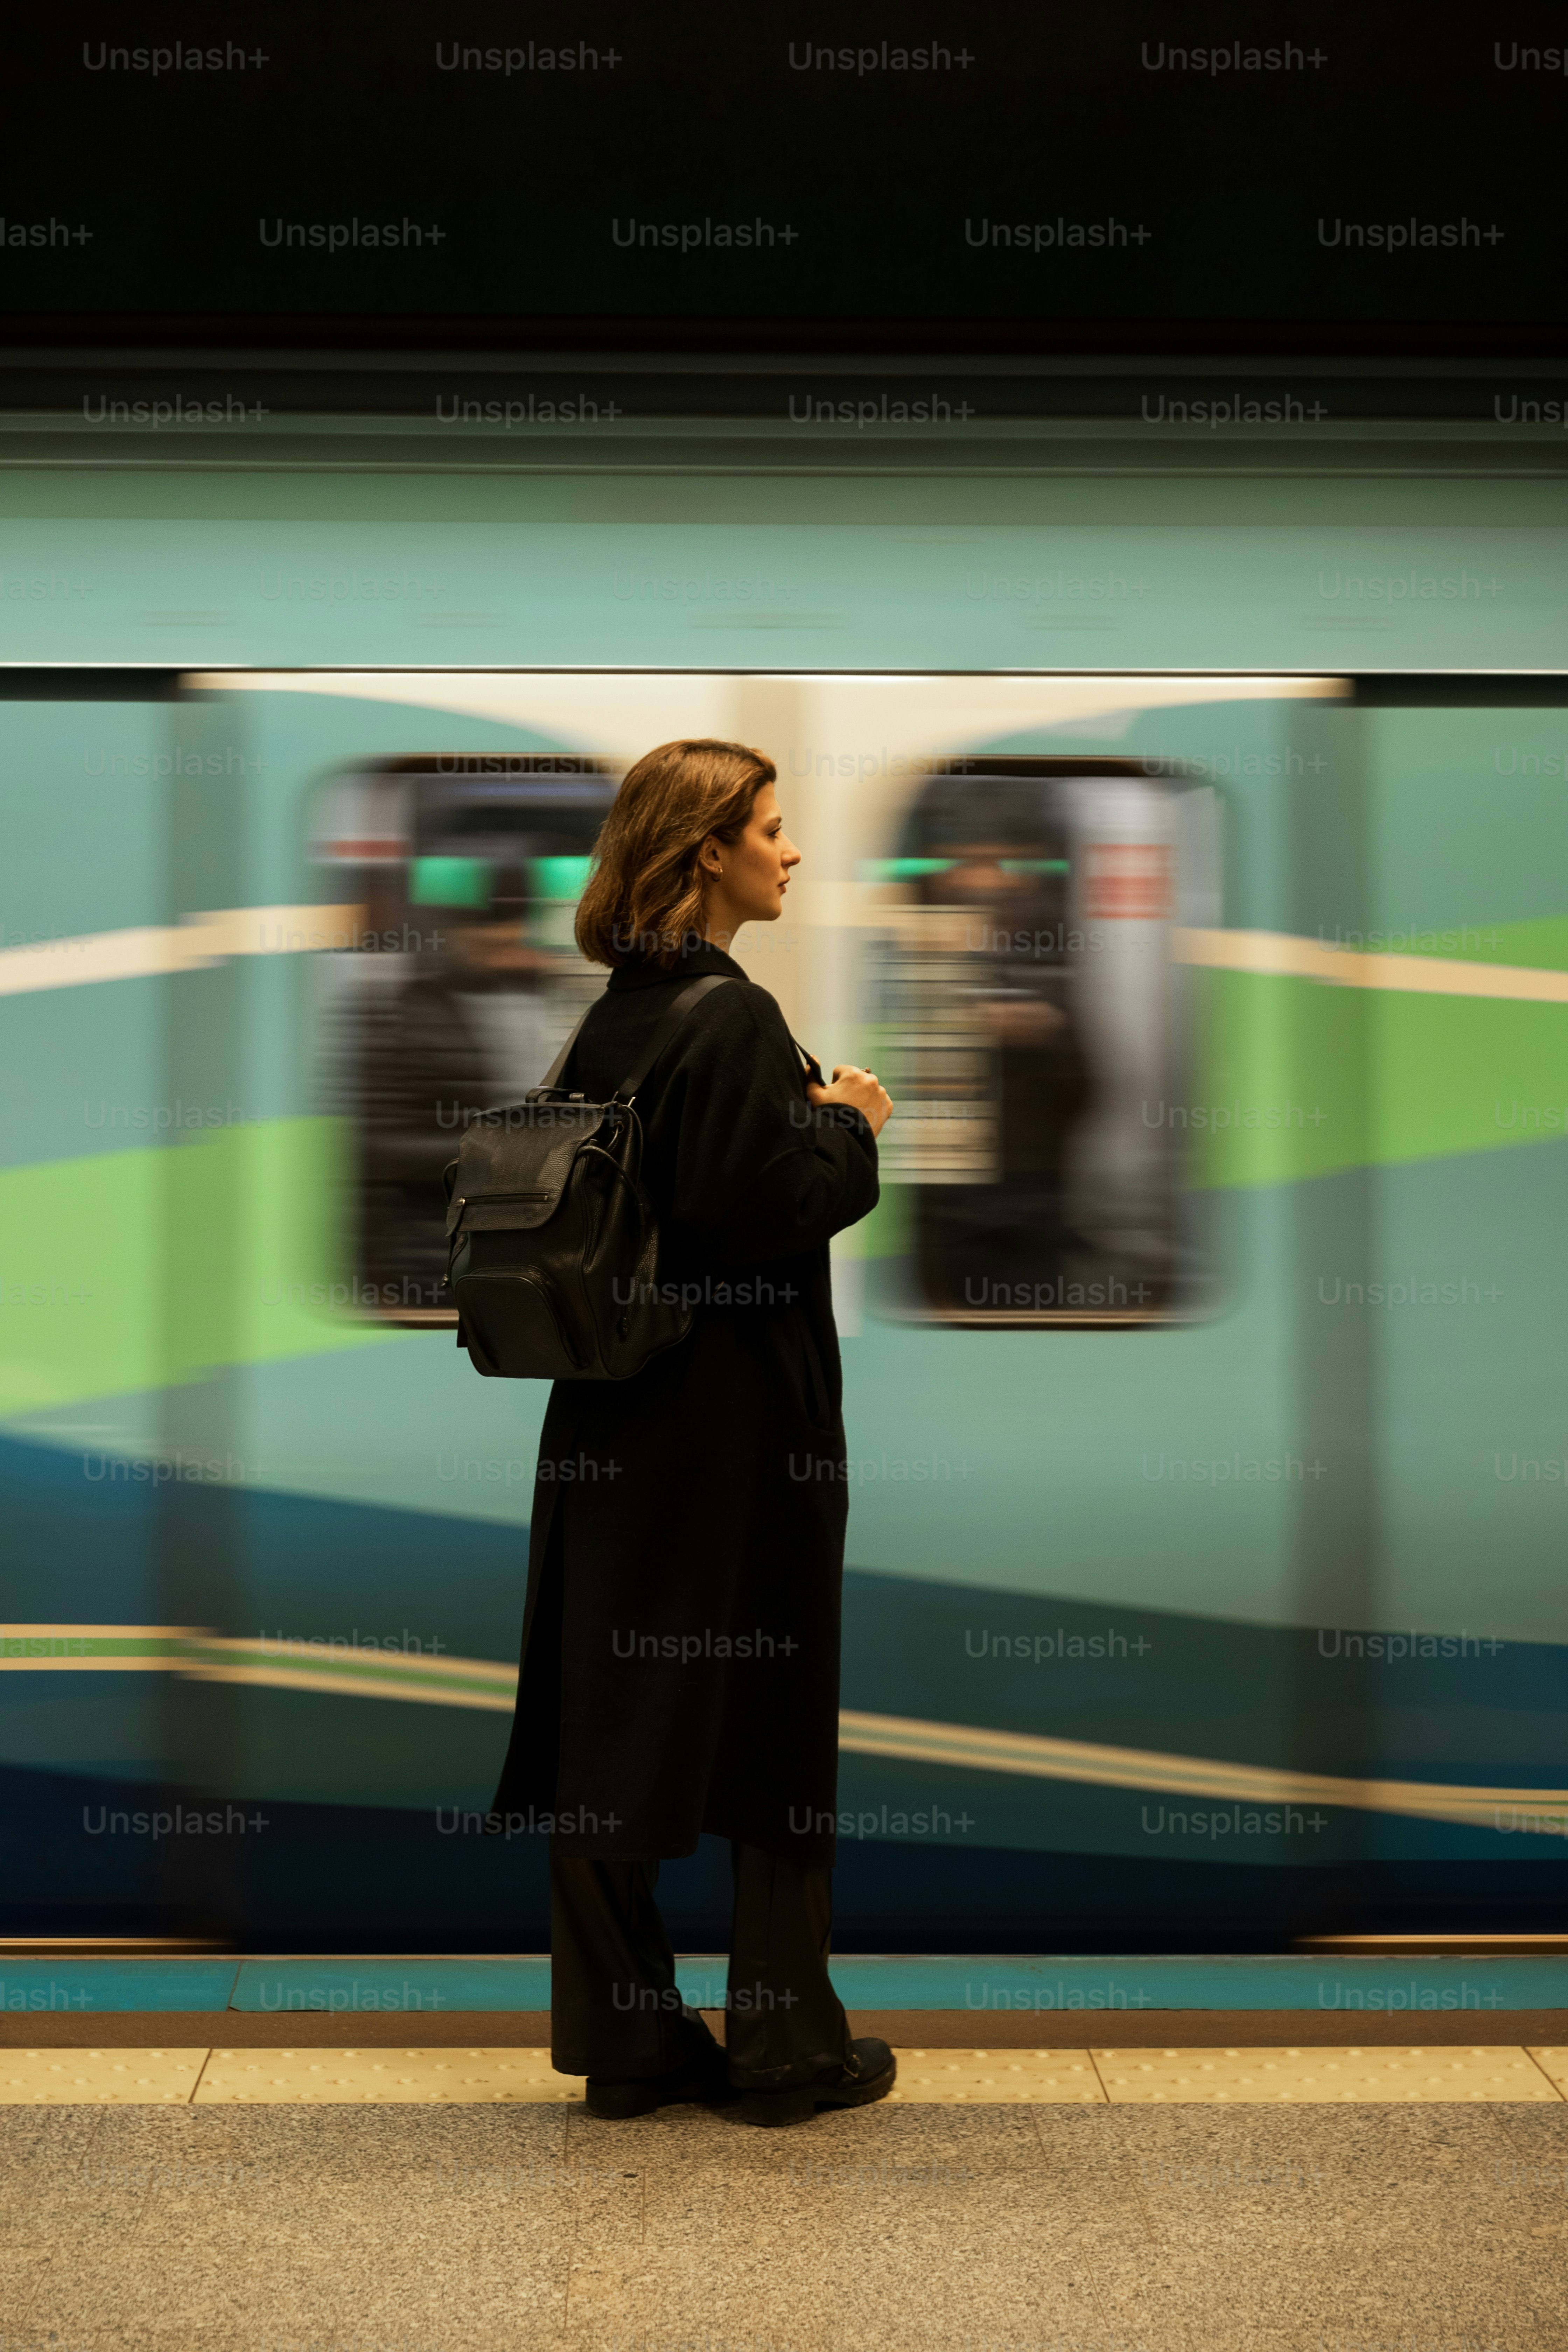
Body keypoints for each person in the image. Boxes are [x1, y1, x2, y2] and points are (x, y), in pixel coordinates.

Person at [490, 738, 896, 2127]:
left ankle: (629, 2033)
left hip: (614, 1419)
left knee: (615, 1714)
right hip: (733, 1434)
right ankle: (785, 2045)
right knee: (770, 1720)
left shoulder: (614, 1014)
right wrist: (849, 1126)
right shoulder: (726, 1012)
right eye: (772, 831)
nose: (793, 853)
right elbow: (758, 1210)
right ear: (708, 851)